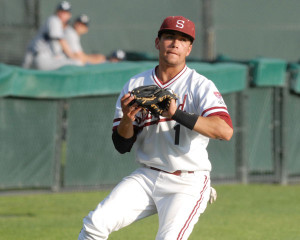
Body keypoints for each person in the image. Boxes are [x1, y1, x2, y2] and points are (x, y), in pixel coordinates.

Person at [78, 16, 233, 240]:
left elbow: (224, 130)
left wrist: (176, 114)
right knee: (95, 224)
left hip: (187, 181)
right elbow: (122, 145)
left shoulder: (200, 85)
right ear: (157, 42)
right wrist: (127, 120)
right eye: (169, 36)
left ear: (189, 48)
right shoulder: (135, 85)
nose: (175, 43)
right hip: (147, 175)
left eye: (182, 39)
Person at [22, 1, 82, 70]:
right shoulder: (54, 20)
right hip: (41, 58)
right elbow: (61, 41)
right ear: (56, 12)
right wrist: (72, 56)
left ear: (69, 15)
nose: (62, 14)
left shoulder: (60, 26)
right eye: (61, 11)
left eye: (65, 12)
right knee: (77, 63)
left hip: (38, 58)